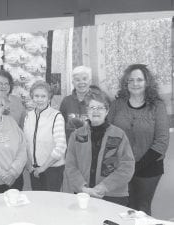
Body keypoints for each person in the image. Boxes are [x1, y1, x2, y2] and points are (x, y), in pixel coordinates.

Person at [108, 64, 169, 214]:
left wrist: (135, 167)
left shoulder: (157, 106)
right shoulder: (117, 104)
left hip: (149, 169)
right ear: (126, 83)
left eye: (139, 80)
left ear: (147, 82)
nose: (135, 84)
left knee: (141, 210)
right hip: (119, 167)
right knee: (121, 209)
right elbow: (107, 132)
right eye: (131, 80)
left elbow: (161, 142)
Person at [63, 89, 135, 206]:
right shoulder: (76, 135)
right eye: (92, 107)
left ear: (107, 111)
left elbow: (127, 166)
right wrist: (83, 188)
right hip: (84, 195)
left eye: (100, 107)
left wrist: (104, 186)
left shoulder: (119, 135)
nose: (96, 111)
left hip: (113, 195)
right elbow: (70, 165)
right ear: (87, 110)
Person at [24, 80, 67, 191]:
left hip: (52, 169)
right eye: (36, 96)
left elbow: (61, 147)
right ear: (32, 97)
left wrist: (43, 168)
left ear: (49, 98)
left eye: (43, 96)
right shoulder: (28, 116)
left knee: (51, 204)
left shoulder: (56, 116)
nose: (39, 99)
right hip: (34, 170)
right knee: (38, 203)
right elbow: (25, 143)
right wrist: (29, 166)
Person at [59, 65, 100, 141]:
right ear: (73, 83)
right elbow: (60, 127)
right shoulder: (66, 101)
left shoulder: (98, 100)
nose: (81, 82)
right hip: (71, 148)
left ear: (90, 81)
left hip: (92, 147)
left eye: (85, 79)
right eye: (77, 80)